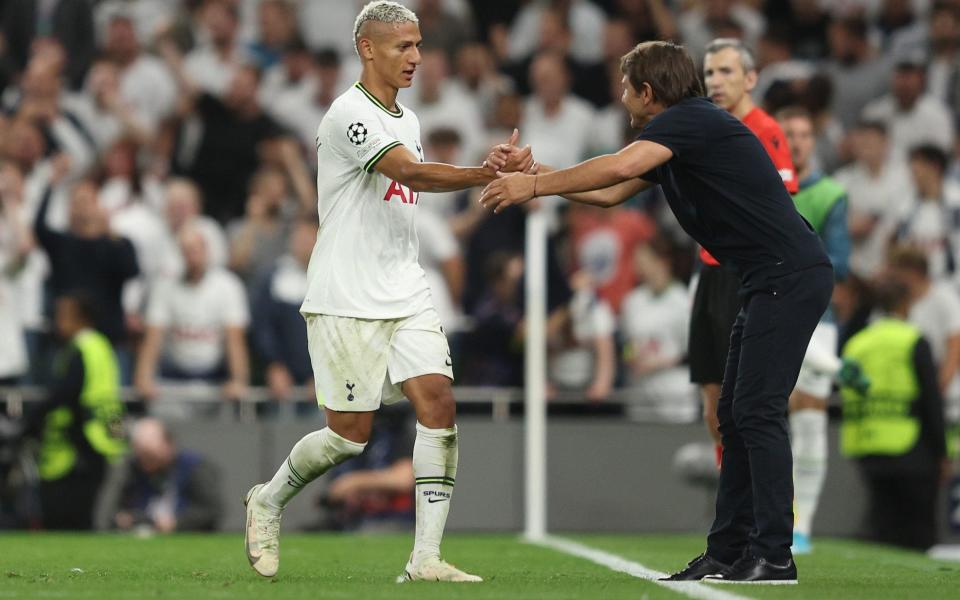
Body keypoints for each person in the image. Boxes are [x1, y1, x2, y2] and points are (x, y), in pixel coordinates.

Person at [482, 40, 832, 584]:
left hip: (790, 277)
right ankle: (728, 550)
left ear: (648, 92)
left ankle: (775, 553)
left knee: (757, 411)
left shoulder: (690, 120)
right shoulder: (680, 136)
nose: (621, 96)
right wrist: (540, 172)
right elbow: (611, 190)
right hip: (769, 281)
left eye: (626, 86)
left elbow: (619, 164)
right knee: (736, 416)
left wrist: (534, 185)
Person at [242, 1, 532, 583]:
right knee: (349, 437)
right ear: (367, 49)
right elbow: (412, 174)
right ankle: (268, 500)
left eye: (419, 45)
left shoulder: (408, 118)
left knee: (439, 404)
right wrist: (485, 173)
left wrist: (482, 168)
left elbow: (412, 178)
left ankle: (425, 558)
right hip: (346, 295)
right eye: (403, 46)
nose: (416, 57)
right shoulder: (348, 114)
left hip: (405, 288)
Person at [692, 38, 798, 469]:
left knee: (752, 402)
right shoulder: (704, 129)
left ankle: (771, 502)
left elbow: (780, 199)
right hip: (709, 272)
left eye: (726, 72)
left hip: (747, 274)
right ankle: (732, 501)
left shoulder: (766, 130)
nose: (715, 81)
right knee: (712, 402)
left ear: (751, 78)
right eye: (710, 73)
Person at [778, 106, 851, 555]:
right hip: (762, 307)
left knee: (808, 414)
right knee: (763, 416)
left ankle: (801, 526)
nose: (799, 141)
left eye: (805, 134)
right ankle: (768, 516)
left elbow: (841, 262)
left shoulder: (830, 195)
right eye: (790, 134)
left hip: (816, 317)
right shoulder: (765, 186)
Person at [839, 279, 950, 550]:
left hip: (867, 447)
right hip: (910, 447)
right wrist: (942, 452)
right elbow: (930, 401)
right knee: (919, 534)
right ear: (904, 304)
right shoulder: (911, 339)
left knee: (884, 530)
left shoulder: (857, 343)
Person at [24, 293, 127, 530]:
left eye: (62, 316)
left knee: (72, 514)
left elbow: (67, 392)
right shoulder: (100, 345)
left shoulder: (82, 347)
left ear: (79, 318)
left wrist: (33, 418)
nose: (57, 322)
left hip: (83, 437)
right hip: (103, 434)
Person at [114, 418, 222, 533]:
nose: (147, 464)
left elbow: (212, 510)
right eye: (142, 457)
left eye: (151, 456)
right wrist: (124, 518)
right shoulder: (133, 469)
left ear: (169, 445)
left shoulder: (195, 467)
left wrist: (177, 522)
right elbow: (114, 510)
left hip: (186, 536)